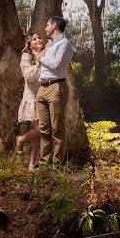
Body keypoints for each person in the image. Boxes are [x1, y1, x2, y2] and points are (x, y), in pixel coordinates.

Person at [35, 16, 74, 165]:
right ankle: (44, 162)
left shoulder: (65, 44)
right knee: (44, 129)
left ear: (55, 26)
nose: (45, 28)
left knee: (57, 129)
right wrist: (43, 54)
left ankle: (57, 165)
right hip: (42, 88)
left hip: (56, 88)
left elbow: (57, 64)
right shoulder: (50, 45)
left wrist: (41, 57)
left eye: (47, 24)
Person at [16, 33, 43, 170]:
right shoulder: (26, 56)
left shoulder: (45, 55)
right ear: (29, 44)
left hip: (44, 96)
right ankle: (20, 140)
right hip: (32, 96)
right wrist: (38, 65)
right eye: (34, 39)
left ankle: (31, 164)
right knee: (40, 129)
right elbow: (28, 76)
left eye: (39, 38)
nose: (38, 40)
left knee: (36, 133)